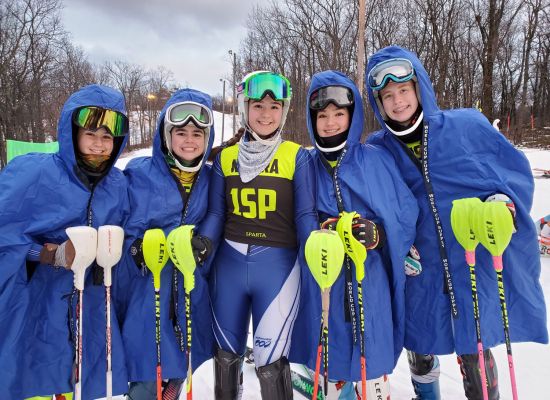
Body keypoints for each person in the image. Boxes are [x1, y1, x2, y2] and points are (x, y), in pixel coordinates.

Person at [365, 45, 548, 399]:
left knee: (473, 343)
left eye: (403, 90)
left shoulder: (466, 127)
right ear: (378, 103)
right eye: (387, 95)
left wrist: (503, 204)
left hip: (467, 258)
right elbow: (371, 202)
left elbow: (513, 174)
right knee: (418, 342)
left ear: (419, 88)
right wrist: (388, 240)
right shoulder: (378, 149)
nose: (398, 101)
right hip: (418, 267)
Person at [289, 70, 419, 399]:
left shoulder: (376, 160)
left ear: (352, 115)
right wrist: (324, 229)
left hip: (369, 279)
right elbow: (294, 217)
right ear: (311, 119)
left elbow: (403, 212)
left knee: (369, 359)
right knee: (330, 358)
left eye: (339, 114)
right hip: (324, 279)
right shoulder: (306, 164)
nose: (330, 123)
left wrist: (380, 235)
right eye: (322, 116)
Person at [0, 84, 130, 399]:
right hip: (39, 304)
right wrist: (47, 255)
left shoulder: (117, 184)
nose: (99, 146)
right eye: (91, 135)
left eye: (107, 138)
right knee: (38, 379)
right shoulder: (34, 173)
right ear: (72, 133)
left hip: (92, 304)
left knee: (82, 381)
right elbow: (5, 229)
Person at [198, 70, 318, 399]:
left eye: (274, 106)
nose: (266, 114)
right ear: (244, 109)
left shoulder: (297, 156)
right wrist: (204, 242)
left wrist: (316, 246)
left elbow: (305, 214)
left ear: (284, 110)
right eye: (258, 106)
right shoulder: (225, 158)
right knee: (225, 359)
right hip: (229, 268)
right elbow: (216, 213)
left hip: (278, 270)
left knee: (270, 363)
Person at [116, 89, 216, 400]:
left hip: (189, 297)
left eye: (197, 133)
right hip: (147, 300)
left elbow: (219, 222)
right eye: (181, 132)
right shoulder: (139, 174)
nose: (189, 140)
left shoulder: (212, 179)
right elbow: (120, 225)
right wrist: (136, 248)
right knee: (147, 381)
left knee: (181, 377)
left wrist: (203, 244)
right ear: (165, 135)